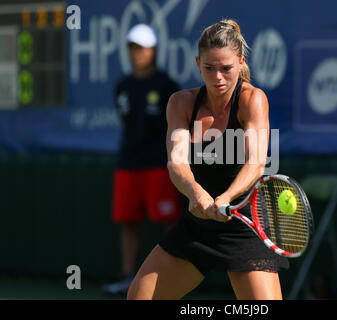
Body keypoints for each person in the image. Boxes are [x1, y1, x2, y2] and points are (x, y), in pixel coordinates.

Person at [127, 19, 289, 300]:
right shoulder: (181, 103)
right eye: (209, 68)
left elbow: (256, 163)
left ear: (240, 62)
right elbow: (177, 162)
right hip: (198, 226)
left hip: (245, 224)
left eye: (226, 68)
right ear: (197, 63)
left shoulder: (253, 100)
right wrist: (195, 192)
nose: (218, 78)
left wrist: (226, 197)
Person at [103, 24, 181, 295]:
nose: (137, 53)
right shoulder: (122, 86)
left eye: (142, 48)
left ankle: (172, 276)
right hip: (128, 164)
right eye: (132, 48)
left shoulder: (167, 85)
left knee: (169, 219)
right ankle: (128, 276)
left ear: (153, 50)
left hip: (159, 165)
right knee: (128, 221)